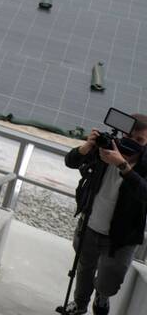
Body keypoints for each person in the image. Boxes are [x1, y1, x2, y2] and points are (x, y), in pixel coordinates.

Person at [61, 115, 147, 315]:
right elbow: (70, 162)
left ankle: (102, 295)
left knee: (109, 281)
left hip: (122, 237)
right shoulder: (104, 149)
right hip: (90, 225)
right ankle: (80, 304)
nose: (131, 142)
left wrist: (122, 166)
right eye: (128, 136)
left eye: (140, 140)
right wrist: (85, 148)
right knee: (84, 270)